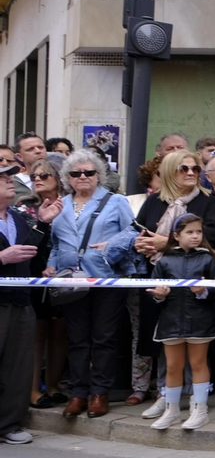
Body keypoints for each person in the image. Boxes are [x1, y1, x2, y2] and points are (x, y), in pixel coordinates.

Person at [127, 151, 215, 411]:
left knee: (195, 344)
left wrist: (165, 241)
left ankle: (195, 398)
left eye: (195, 168)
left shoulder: (208, 200)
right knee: (163, 340)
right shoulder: (155, 201)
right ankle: (165, 396)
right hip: (161, 279)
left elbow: (213, 235)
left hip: (196, 280)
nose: (191, 173)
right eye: (184, 168)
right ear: (170, 171)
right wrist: (142, 243)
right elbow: (138, 230)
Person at [48, 149, 135, 419]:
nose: (83, 177)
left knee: (104, 338)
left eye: (89, 172)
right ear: (68, 178)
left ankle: (100, 393)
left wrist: (112, 244)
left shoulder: (116, 201)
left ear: (99, 176)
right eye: (76, 173)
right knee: (77, 339)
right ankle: (78, 392)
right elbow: (55, 243)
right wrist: (52, 264)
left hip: (106, 277)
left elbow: (132, 231)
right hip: (71, 281)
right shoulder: (60, 206)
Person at [146, 214, 215, 431]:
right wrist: (158, 295)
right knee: (172, 366)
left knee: (198, 363)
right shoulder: (165, 260)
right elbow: (152, 290)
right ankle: (171, 411)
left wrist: (204, 290)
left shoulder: (209, 258)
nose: (196, 236)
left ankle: (200, 409)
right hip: (170, 320)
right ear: (176, 236)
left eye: (199, 232)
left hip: (200, 320)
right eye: (190, 232)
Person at [0, 175, 48, 444]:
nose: (10, 182)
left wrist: (43, 222)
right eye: (2, 179)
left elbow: (29, 250)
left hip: (20, 300)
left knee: (17, 366)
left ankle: (9, 424)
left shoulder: (16, 217)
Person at [22, 160, 66, 409]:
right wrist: (44, 221)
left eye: (44, 174)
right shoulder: (25, 208)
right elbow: (27, 243)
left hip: (63, 275)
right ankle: (32, 390)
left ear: (58, 177)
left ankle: (53, 385)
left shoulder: (70, 205)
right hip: (33, 275)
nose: (37, 178)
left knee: (60, 331)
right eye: (34, 175)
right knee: (37, 334)